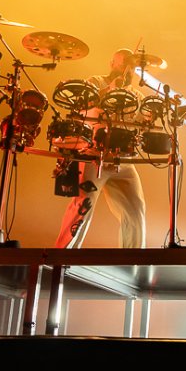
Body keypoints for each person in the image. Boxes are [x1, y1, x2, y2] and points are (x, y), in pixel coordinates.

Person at [55, 48, 147, 249]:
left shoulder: (137, 95)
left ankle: (133, 260)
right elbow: (82, 104)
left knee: (136, 208)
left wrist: (149, 117)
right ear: (112, 63)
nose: (127, 68)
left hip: (123, 160)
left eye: (131, 65)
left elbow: (141, 124)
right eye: (123, 63)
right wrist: (110, 90)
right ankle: (62, 256)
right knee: (83, 205)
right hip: (94, 155)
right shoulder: (96, 82)